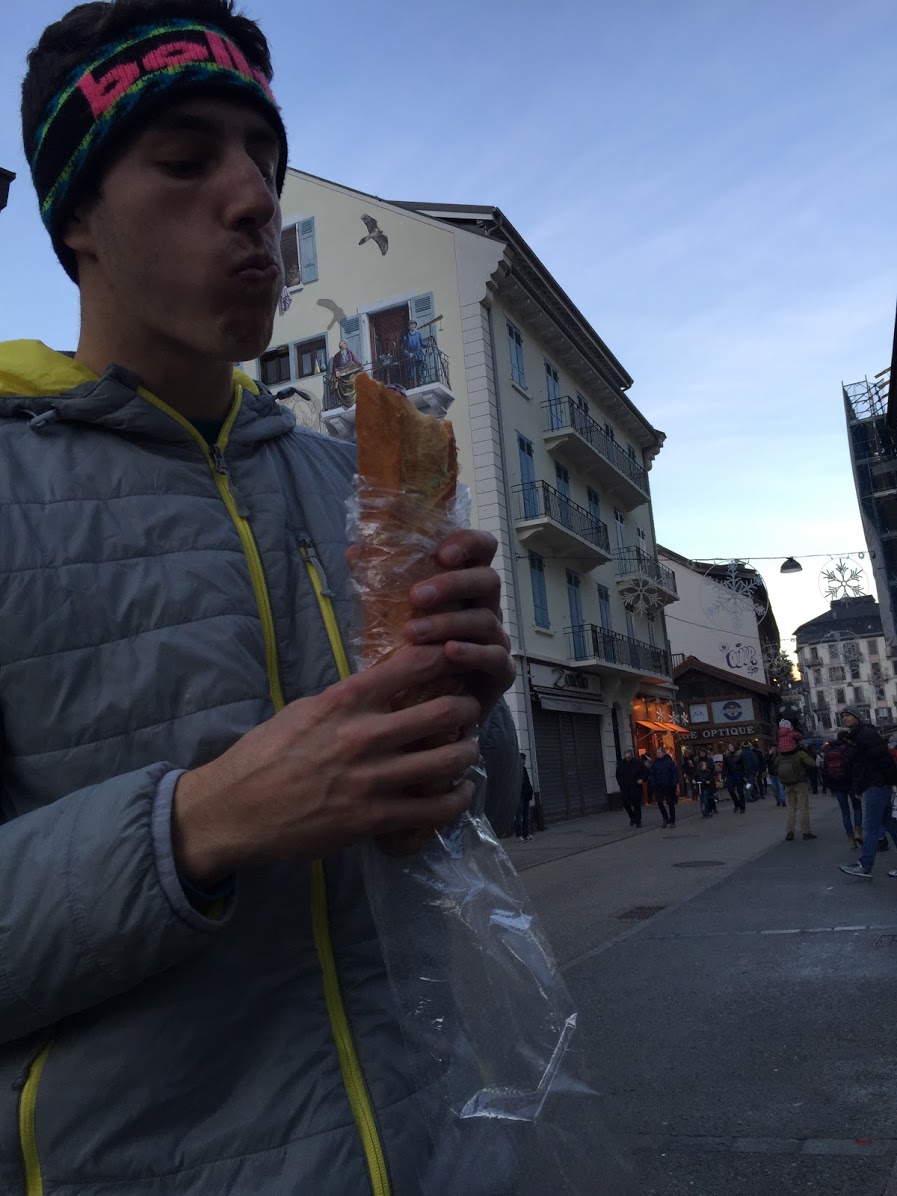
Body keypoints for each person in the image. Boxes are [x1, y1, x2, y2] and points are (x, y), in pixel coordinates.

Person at [1, 4, 519, 1193]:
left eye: (263, 160)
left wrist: (472, 702)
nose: (251, 200)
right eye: (187, 161)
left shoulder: (354, 486)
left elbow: (472, 823)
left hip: (433, 1151)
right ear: (74, 216)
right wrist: (197, 825)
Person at [838, 706, 897, 879]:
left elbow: (883, 759)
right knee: (890, 824)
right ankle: (865, 865)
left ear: (857, 717)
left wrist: (894, 781)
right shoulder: (857, 735)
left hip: (876, 784)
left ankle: (865, 865)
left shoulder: (864, 734)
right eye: (843, 716)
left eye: (848, 715)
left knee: (871, 826)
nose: (845, 718)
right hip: (876, 784)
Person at [823, 731, 863, 849]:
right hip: (851, 784)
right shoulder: (850, 750)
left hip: (837, 786)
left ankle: (851, 840)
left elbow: (825, 771)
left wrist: (829, 786)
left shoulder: (829, 753)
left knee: (845, 811)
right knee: (857, 808)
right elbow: (857, 768)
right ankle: (858, 832)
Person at [774, 744, 817, 841]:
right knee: (803, 808)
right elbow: (812, 763)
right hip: (800, 783)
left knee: (791, 809)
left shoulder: (781, 756)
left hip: (788, 784)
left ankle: (790, 832)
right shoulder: (800, 754)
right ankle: (806, 832)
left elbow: (775, 764)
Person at [649, 744, 680, 828]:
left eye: (659, 753)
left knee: (670, 803)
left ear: (663, 753)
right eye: (657, 753)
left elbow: (675, 773)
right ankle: (665, 818)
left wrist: (674, 783)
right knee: (659, 802)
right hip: (658, 786)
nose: (658, 754)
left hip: (668, 785)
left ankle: (672, 821)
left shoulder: (669, 761)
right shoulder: (655, 763)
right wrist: (653, 784)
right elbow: (652, 774)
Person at [616, 748, 647, 828]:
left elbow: (646, 772)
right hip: (625, 787)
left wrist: (642, 779)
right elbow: (618, 775)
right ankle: (632, 817)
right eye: (626, 757)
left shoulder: (638, 763)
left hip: (635, 786)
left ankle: (638, 821)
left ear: (632, 756)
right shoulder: (621, 764)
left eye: (629, 757)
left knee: (636, 805)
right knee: (626, 803)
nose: (627, 759)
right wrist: (620, 783)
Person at [327, 338, 362, 408]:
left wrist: (360, 365)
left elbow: (355, 360)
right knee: (337, 379)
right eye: (344, 344)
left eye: (345, 343)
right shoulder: (337, 356)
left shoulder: (349, 352)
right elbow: (334, 366)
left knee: (355, 376)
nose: (346, 345)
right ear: (340, 346)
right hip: (342, 372)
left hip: (349, 370)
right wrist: (336, 371)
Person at [722, 744, 747, 813]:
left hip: (739, 773)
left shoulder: (740, 754)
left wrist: (745, 774)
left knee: (740, 791)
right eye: (729, 746)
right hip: (730, 774)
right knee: (730, 790)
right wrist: (723, 775)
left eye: (732, 746)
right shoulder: (727, 756)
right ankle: (736, 803)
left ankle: (742, 807)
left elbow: (744, 764)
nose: (731, 748)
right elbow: (725, 766)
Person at [515, 751, 534, 840]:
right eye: (524, 759)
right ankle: (519, 835)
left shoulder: (524, 769)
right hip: (520, 795)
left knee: (526, 815)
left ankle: (526, 834)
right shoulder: (516, 770)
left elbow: (527, 782)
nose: (525, 761)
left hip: (526, 794)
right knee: (520, 815)